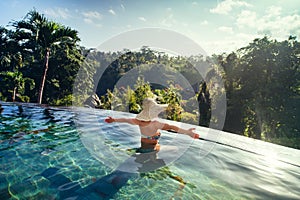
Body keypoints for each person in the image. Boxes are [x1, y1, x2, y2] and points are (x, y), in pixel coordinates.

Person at [105, 98, 199, 153]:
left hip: (145, 147)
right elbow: (172, 127)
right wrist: (187, 132)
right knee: (176, 149)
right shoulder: (156, 124)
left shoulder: (138, 121)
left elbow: (125, 120)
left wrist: (113, 120)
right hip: (151, 150)